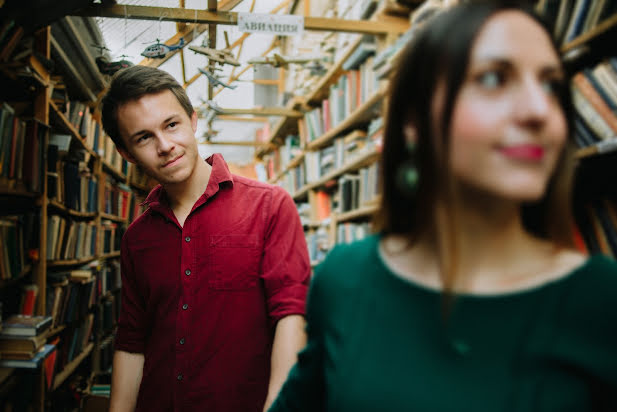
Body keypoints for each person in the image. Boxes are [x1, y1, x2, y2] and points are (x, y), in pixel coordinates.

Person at [269, 2, 617, 411]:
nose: (540, 111)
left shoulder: (600, 299)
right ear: (415, 121)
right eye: (493, 78)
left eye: (552, 86)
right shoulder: (345, 280)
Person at [100, 65, 311, 412]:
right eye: (143, 137)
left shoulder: (270, 206)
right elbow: (132, 340)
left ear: (193, 120)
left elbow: (291, 313)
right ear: (126, 153)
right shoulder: (137, 238)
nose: (166, 146)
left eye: (172, 125)